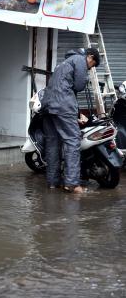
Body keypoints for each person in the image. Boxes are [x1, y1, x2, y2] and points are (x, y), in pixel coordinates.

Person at [41, 47, 100, 194]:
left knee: (53, 143)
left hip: (48, 105)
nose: (90, 68)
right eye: (92, 65)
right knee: (73, 141)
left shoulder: (65, 62)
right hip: (62, 105)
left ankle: (53, 182)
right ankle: (72, 184)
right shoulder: (80, 60)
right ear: (90, 57)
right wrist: (84, 78)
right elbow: (79, 85)